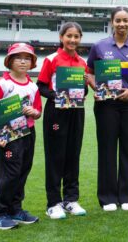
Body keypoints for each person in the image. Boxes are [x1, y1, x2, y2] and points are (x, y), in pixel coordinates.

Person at [86, 7, 128, 212]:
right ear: (112, 22)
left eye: (125, 20)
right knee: (107, 149)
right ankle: (107, 198)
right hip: (106, 105)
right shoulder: (99, 47)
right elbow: (90, 74)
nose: (121, 24)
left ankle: (127, 196)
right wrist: (98, 88)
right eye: (118, 20)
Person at [0, 43, 42, 230]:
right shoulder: (3, 84)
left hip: (28, 133)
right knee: (10, 174)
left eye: (27, 58)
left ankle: (15, 209)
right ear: (9, 60)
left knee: (23, 171)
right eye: (18, 57)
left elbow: (38, 111)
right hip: (9, 136)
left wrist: (33, 111)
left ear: (32, 62)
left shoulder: (33, 86)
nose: (23, 61)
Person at [37, 22, 89, 219]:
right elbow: (41, 87)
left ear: (80, 39)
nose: (73, 40)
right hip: (56, 112)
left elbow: (83, 92)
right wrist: (56, 96)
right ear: (61, 37)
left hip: (76, 112)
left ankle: (71, 199)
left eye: (76, 36)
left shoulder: (82, 62)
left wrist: (83, 86)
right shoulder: (51, 60)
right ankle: (53, 203)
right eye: (69, 36)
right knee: (55, 156)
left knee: (73, 154)